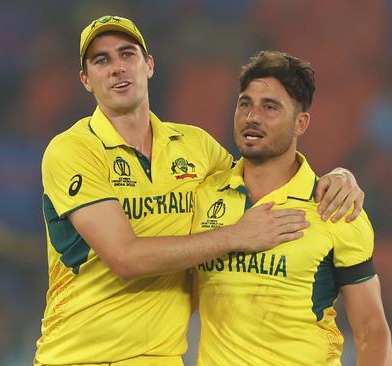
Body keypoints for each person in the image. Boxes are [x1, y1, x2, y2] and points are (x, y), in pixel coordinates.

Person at [35, 15, 365, 366]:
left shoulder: (196, 147)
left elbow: (265, 176)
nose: (117, 68)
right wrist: (234, 236)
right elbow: (124, 258)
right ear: (86, 80)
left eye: (127, 54)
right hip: (78, 356)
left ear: (148, 66)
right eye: (102, 60)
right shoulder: (72, 150)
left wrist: (339, 176)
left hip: (162, 358)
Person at [192, 51, 392, 365]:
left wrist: (344, 174)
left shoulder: (335, 207)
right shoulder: (203, 196)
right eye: (245, 104)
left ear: (301, 123)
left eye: (269, 107)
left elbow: (371, 330)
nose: (252, 117)